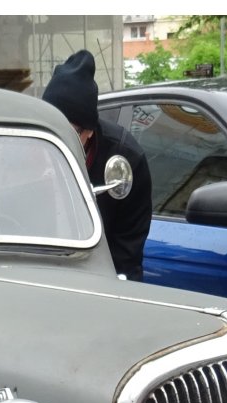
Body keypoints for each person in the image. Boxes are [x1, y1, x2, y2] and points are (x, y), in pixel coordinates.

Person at [41, 49, 152, 281]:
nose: (58, 139)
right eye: (51, 127)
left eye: (69, 131)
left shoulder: (126, 160)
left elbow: (127, 253)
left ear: (89, 131)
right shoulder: (33, 146)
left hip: (103, 277)